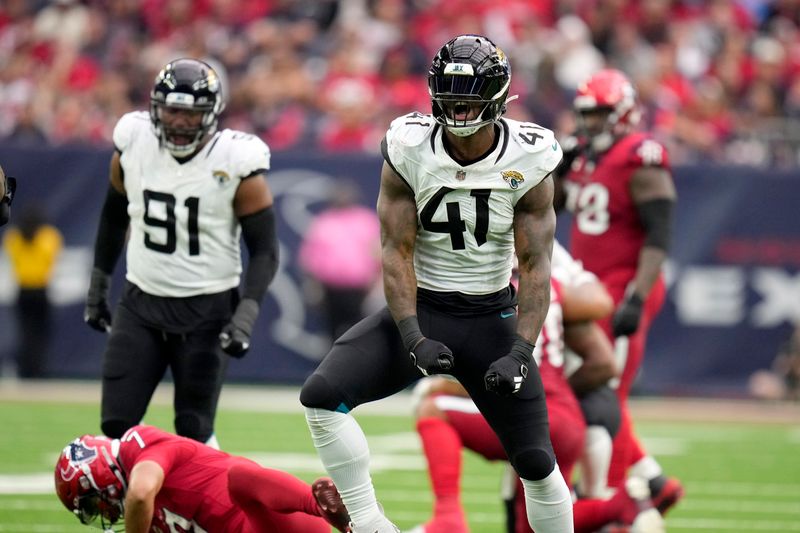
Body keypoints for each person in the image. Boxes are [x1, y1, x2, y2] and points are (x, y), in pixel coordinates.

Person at [300, 34, 573, 533]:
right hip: (425, 309)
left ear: (498, 95)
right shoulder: (408, 146)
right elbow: (396, 252)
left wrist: (519, 352)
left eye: (470, 97)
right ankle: (369, 526)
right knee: (320, 397)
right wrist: (412, 336)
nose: (461, 108)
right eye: (451, 96)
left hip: (492, 316)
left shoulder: (531, 156)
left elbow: (535, 265)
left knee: (536, 462)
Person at [83, 58, 279, 446]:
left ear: (212, 114)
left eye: (192, 113)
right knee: (115, 424)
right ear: (156, 108)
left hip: (207, 310)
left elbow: (265, 250)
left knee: (194, 427)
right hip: (141, 302)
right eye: (172, 110)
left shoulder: (236, 161)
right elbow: (112, 216)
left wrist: (246, 312)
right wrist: (99, 284)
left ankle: (201, 506)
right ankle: (140, 506)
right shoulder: (133, 141)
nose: (179, 121)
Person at [409, 243, 664, 533]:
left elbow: (488, 372)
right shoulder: (551, 286)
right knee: (541, 519)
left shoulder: (488, 294)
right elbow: (604, 356)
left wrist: (442, 386)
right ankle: (621, 506)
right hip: (571, 420)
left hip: (532, 415)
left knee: (433, 409)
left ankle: (447, 516)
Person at [555, 68, 683, 513]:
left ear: (625, 113)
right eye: (586, 115)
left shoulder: (639, 155)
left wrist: (636, 295)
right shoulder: (585, 157)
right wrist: (558, 171)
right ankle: (654, 481)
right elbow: (549, 209)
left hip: (623, 287)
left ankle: (607, 497)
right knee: (595, 389)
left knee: (603, 391)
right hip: (591, 291)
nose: (592, 124)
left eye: (601, 114)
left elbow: (660, 234)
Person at [54, 424, 352, 533]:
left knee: (239, 474)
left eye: (93, 503)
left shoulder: (137, 444)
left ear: (99, 473)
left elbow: (142, 492)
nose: (102, 513)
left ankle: (328, 508)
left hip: (275, 521)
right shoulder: (147, 519)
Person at [298, 181, 382, 339]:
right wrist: (314, 285)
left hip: (361, 290)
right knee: (332, 332)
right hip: (330, 289)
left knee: (362, 332)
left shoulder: (366, 220)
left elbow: (378, 253)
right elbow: (309, 258)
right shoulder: (323, 222)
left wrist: (376, 283)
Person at [2, 204, 63, 378]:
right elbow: (52, 257)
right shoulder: (49, 237)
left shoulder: (13, 237)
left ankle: (26, 369)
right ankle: (38, 370)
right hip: (40, 289)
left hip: (23, 290)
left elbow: (12, 256)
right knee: (40, 333)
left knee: (25, 332)